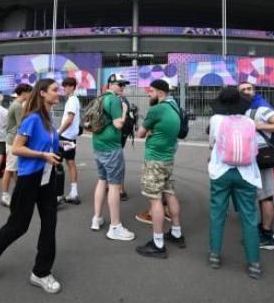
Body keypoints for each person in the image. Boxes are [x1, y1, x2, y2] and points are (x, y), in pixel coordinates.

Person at [0, 78, 62, 294]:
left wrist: (59, 147)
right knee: (18, 225)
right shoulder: (32, 118)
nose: (58, 93)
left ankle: (41, 272)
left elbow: (46, 144)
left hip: (47, 177)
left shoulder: (49, 118)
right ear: (42, 93)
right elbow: (16, 148)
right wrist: (43, 154)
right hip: (29, 178)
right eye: (54, 90)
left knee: (50, 224)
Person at [207, 87, 263, 279]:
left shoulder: (216, 120)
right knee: (249, 216)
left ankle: (214, 255)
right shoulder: (249, 121)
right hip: (247, 173)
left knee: (217, 214)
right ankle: (254, 263)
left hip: (221, 171)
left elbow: (212, 143)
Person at [135, 80, 184, 259]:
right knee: (169, 193)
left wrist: (148, 131)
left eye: (151, 91)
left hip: (155, 160)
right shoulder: (174, 108)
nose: (149, 94)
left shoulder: (157, 109)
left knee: (155, 199)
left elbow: (139, 133)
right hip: (168, 158)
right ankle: (176, 233)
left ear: (160, 93)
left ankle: (158, 243)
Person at [238, 81, 274, 251]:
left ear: (254, 90)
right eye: (243, 89)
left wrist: (259, 125)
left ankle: (267, 235)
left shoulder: (261, 108)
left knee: (265, 196)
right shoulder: (241, 110)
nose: (246, 91)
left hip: (261, 157)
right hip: (246, 158)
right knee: (253, 196)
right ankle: (260, 230)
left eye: (249, 88)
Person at [90, 74, 135, 241]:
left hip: (98, 145)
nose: (122, 87)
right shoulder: (115, 100)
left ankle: (97, 218)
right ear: (110, 84)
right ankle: (115, 227)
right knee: (114, 186)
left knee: (102, 180)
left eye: (124, 84)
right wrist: (124, 111)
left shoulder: (100, 98)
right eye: (119, 84)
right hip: (111, 148)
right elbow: (118, 124)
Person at [1, 84, 32, 207]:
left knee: (15, 169)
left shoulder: (16, 104)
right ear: (24, 93)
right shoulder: (18, 106)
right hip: (13, 140)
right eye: (29, 92)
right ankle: (5, 195)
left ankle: (18, 193)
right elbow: (21, 126)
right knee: (10, 168)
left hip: (12, 139)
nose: (30, 95)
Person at [56, 77, 81, 205]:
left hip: (65, 137)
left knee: (57, 164)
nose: (64, 88)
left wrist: (58, 132)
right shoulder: (75, 100)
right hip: (71, 137)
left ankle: (58, 196)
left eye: (66, 86)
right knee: (70, 162)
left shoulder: (71, 100)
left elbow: (70, 119)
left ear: (72, 87)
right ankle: (74, 192)